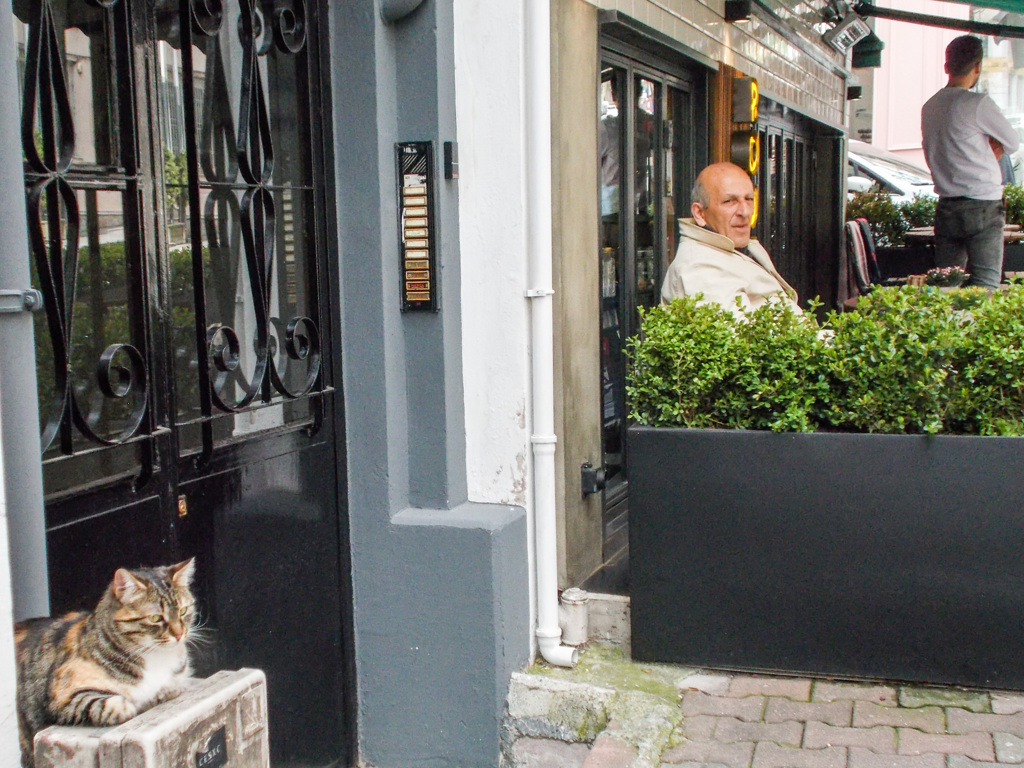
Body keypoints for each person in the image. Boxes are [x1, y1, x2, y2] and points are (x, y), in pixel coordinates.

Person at [921, 35, 1019, 290]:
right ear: (977, 67)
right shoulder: (978, 104)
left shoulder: (929, 107)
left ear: (947, 67)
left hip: (947, 205)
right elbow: (1012, 142)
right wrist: (990, 149)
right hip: (983, 204)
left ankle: (944, 329)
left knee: (945, 283)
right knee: (985, 282)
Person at [660, 161, 800, 317]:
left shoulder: (716, 253)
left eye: (749, 199)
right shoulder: (702, 268)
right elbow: (738, 336)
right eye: (729, 201)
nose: (745, 211)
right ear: (699, 213)